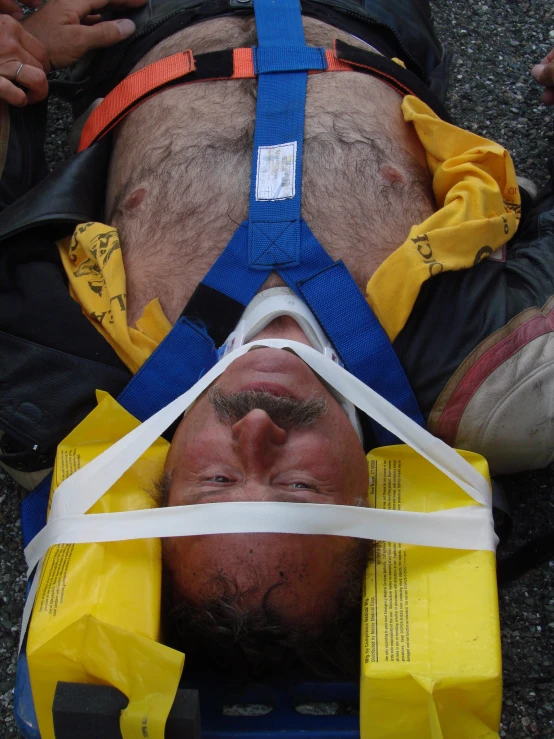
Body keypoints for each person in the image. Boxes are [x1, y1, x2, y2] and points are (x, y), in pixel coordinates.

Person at [1, 0, 554, 677]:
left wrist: (20, 58)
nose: (257, 428)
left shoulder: (51, 382)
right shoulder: (500, 385)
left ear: (158, 488)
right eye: (296, 486)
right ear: (378, 497)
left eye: (214, 480)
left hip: (141, 18)